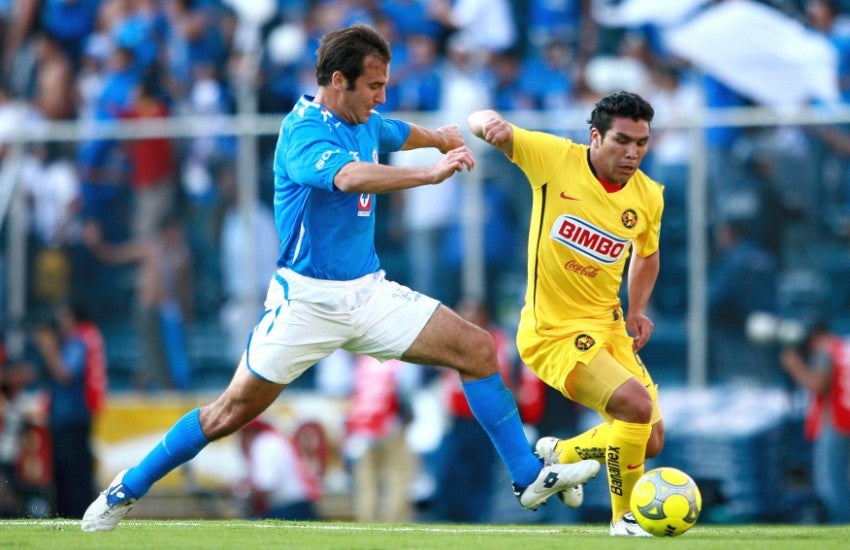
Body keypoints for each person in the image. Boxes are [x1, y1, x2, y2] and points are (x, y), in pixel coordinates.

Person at [81, 23, 599, 532]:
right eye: (373, 86)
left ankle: (528, 477)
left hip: (367, 293)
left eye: (384, 85)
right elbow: (349, 177)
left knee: (479, 350)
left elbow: (395, 129)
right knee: (227, 413)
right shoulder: (302, 131)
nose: (381, 95)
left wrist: (438, 138)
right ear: (336, 81)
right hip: (305, 303)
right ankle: (126, 488)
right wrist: (429, 171)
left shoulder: (365, 117)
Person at [468, 91, 665, 537]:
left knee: (651, 440)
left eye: (641, 142)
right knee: (635, 406)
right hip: (551, 333)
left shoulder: (648, 196)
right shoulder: (555, 159)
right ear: (594, 136)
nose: (632, 153)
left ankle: (563, 454)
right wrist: (491, 123)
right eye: (622, 140)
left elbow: (647, 254)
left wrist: (637, 310)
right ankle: (625, 519)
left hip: (609, 328)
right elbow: (476, 118)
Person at [780, 321, 850, 524]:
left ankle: (842, 528)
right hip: (846, 419)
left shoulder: (825, 350)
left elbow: (817, 384)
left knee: (829, 484)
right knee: (843, 481)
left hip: (834, 424)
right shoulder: (843, 348)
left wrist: (794, 366)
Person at [235, 418, 321, 521]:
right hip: (298, 505)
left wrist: (242, 490)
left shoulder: (263, 444)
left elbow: (265, 485)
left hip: (290, 508)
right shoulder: (273, 440)